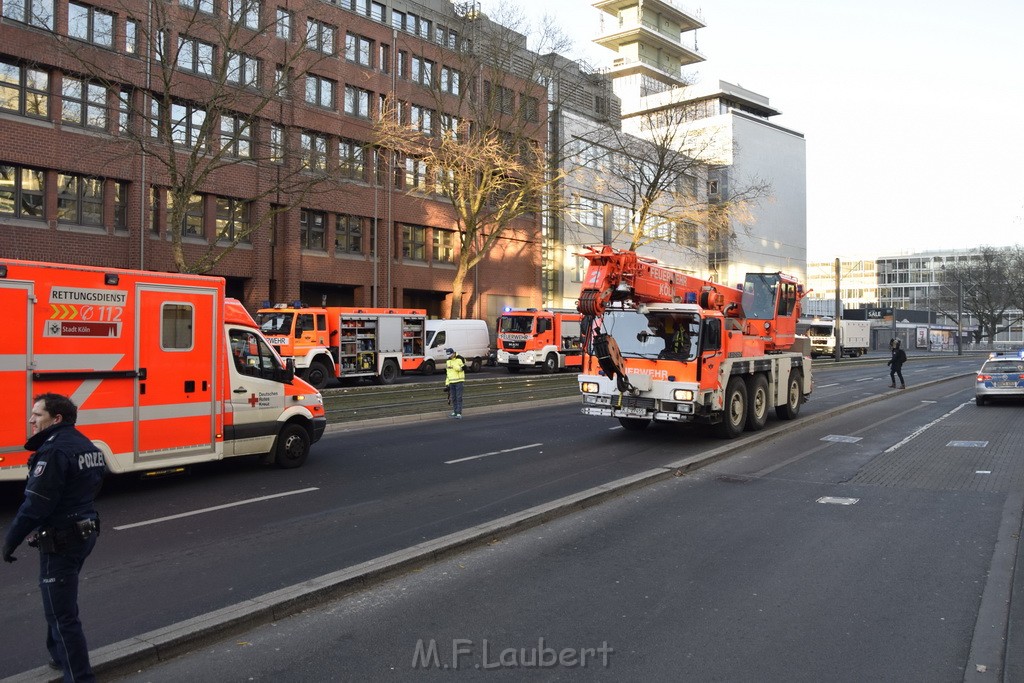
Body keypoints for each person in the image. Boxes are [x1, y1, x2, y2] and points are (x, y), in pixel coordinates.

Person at [3, 393, 106, 682]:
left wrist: (10, 540)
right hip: (84, 533)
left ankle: (79, 676)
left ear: (55, 418)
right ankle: (59, 656)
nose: (31, 419)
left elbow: (35, 505)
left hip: (62, 539)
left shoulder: (53, 452)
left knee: (62, 615)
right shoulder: (87, 445)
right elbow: (94, 485)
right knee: (60, 601)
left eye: (36, 414)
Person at [444, 347, 466, 419]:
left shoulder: (460, 359)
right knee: (453, 398)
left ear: (453, 353)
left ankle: (459, 412)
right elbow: (448, 373)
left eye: (450, 355)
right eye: (448, 355)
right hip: (451, 382)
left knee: (458, 397)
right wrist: (447, 384)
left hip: (459, 381)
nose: (449, 356)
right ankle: (455, 411)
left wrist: (454, 366)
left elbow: (463, 368)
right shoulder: (448, 361)